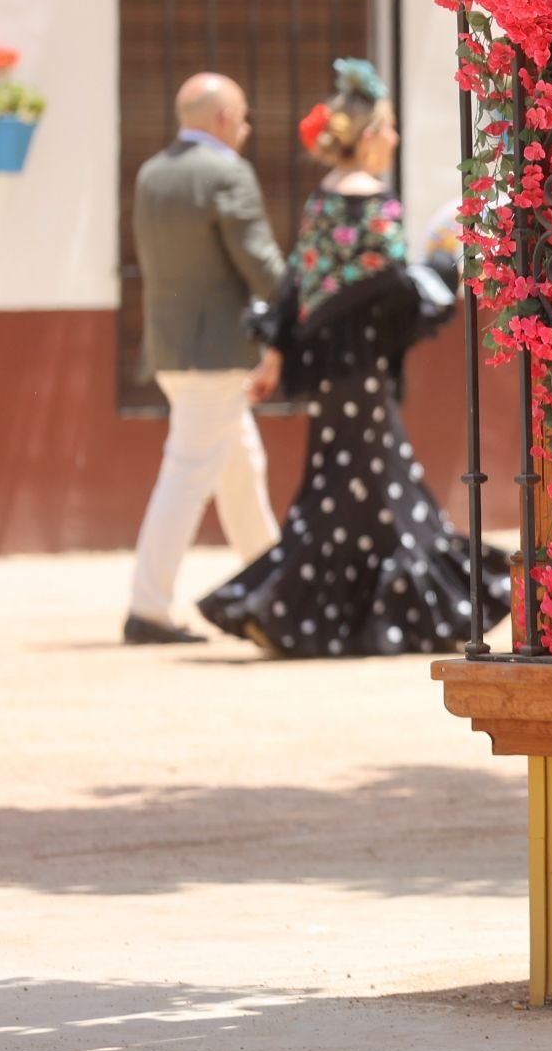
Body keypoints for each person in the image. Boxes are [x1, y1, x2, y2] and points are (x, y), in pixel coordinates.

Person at [196, 59, 511, 657]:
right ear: (368, 137)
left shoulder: (321, 200)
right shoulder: (377, 202)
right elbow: (391, 292)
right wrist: (442, 273)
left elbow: (297, 284)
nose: (394, 137)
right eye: (387, 127)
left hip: (330, 374)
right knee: (373, 487)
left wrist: (274, 357)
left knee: (346, 486)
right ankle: (315, 612)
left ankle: (298, 612)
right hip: (364, 372)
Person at [124, 72, 285, 645]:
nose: (246, 129)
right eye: (243, 117)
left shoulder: (152, 172)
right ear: (223, 119)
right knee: (188, 474)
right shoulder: (226, 171)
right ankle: (147, 608)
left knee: (241, 469)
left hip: (170, 350)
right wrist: (296, 309)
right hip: (217, 354)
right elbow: (259, 261)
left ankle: (274, 594)